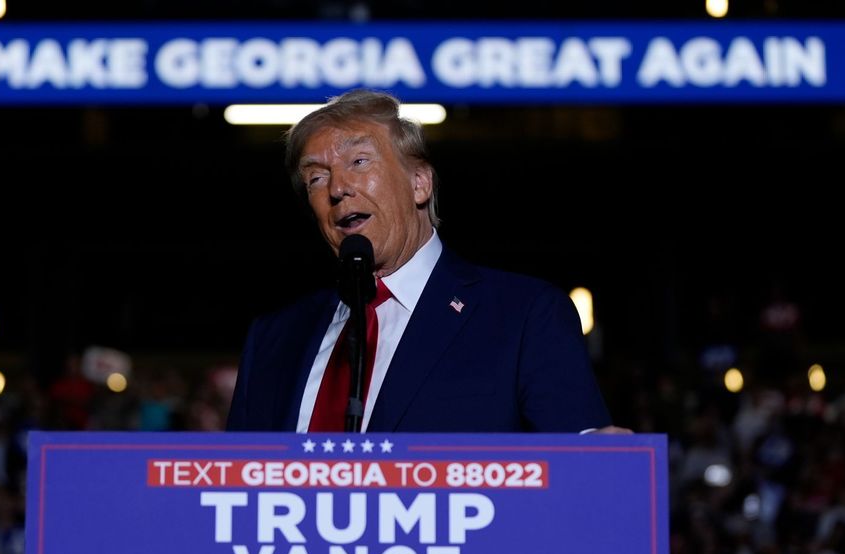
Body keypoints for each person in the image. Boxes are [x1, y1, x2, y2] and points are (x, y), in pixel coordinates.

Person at [227, 88, 628, 435]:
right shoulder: (274, 339)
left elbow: (581, 476)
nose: (337, 188)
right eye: (316, 178)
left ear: (420, 183)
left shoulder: (524, 316)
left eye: (359, 162)